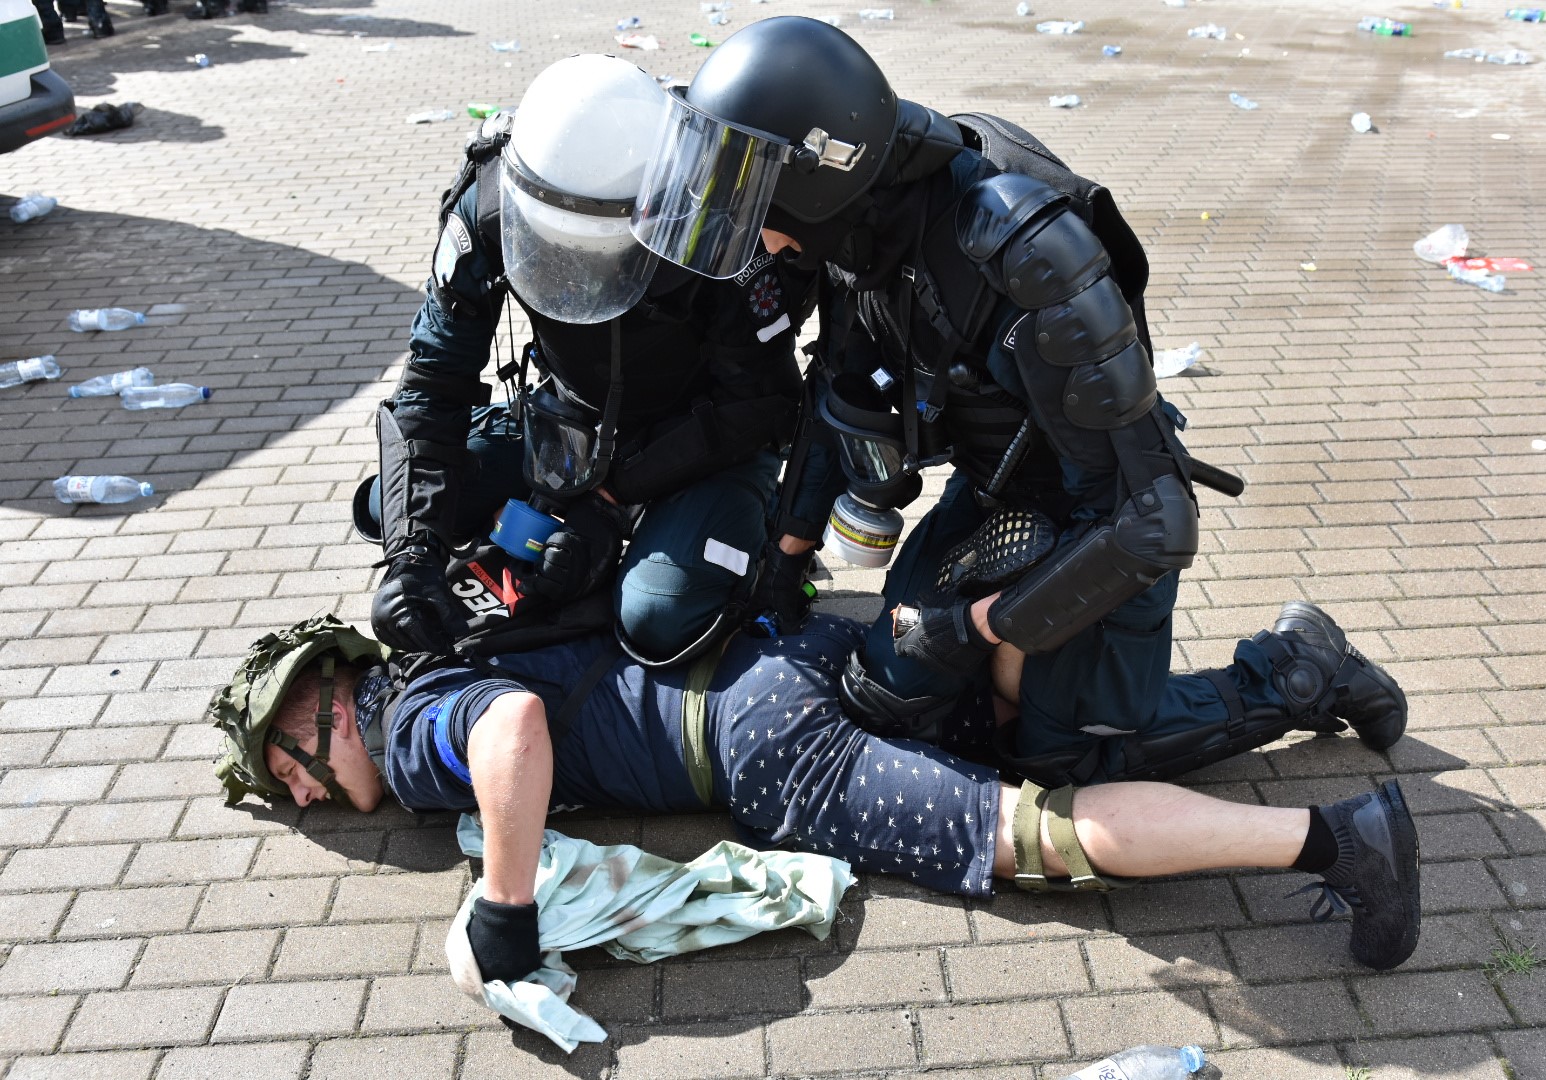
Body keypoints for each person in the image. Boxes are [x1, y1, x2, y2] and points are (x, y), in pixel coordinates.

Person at [628, 16, 1408, 789]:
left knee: (1062, 757)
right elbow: (841, 395)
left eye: (756, 198)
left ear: (818, 175)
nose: (750, 228)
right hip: (998, 492)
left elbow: (1155, 521)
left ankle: (1301, 667)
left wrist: (973, 629)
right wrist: (782, 564)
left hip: (1104, 514)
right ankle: (1019, 675)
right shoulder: (859, 224)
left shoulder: (1021, 249)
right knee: (890, 695)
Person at [213, 609, 1423, 987]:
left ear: (321, 708)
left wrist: (505, 909)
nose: (304, 801)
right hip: (787, 655)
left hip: (766, 754)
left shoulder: (408, 732)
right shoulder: (444, 635)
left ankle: (1341, 842)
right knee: (1048, 743)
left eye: (286, 773)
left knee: (1035, 834)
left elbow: (513, 733)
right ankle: (1294, 668)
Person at [361, 54, 815, 669]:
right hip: (570, 417)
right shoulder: (488, 202)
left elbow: (761, 404)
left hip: (703, 437)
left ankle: (740, 525)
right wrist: (412, 554)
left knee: (656, 616)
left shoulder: (713, 216)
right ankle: (550, 525)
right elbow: (434, 379)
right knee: (390, 506)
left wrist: (609, 500)